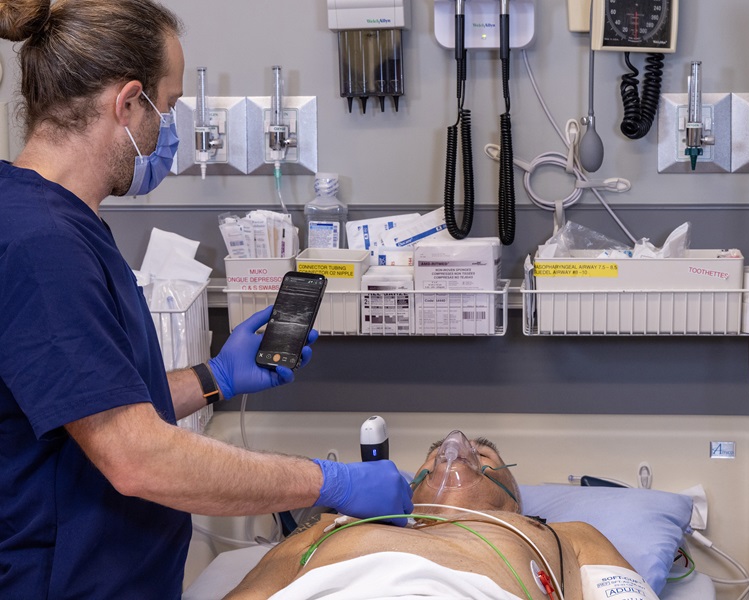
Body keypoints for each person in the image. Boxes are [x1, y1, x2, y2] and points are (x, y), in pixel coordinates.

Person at [0, 1, 411, 597]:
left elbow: (89, 405)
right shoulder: (43, 246)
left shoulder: (55, 222)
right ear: (127, 103)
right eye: (165, 109)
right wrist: (330, 483)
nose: (167, 132)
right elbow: (136, 455)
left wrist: (214, 376)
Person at [224, 431, 661, 600]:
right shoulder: (332, 524)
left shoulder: (564, 535)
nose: (456, 450)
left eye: (483, 453)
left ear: (515, 494)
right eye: (431, 458)